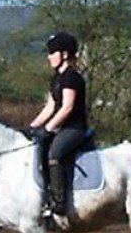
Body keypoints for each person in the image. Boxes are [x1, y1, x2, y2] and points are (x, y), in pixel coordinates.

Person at [29, 32, 89, 216]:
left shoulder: (72, 77)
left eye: (52, 53)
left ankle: (59, 201)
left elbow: (67, 107)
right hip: (61, 127)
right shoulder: (57, 78)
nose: (49, 57)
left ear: (64, 54)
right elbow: (51, 106)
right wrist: (32, 127)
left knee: (54, 153)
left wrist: (48, 128)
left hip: (74, 128)